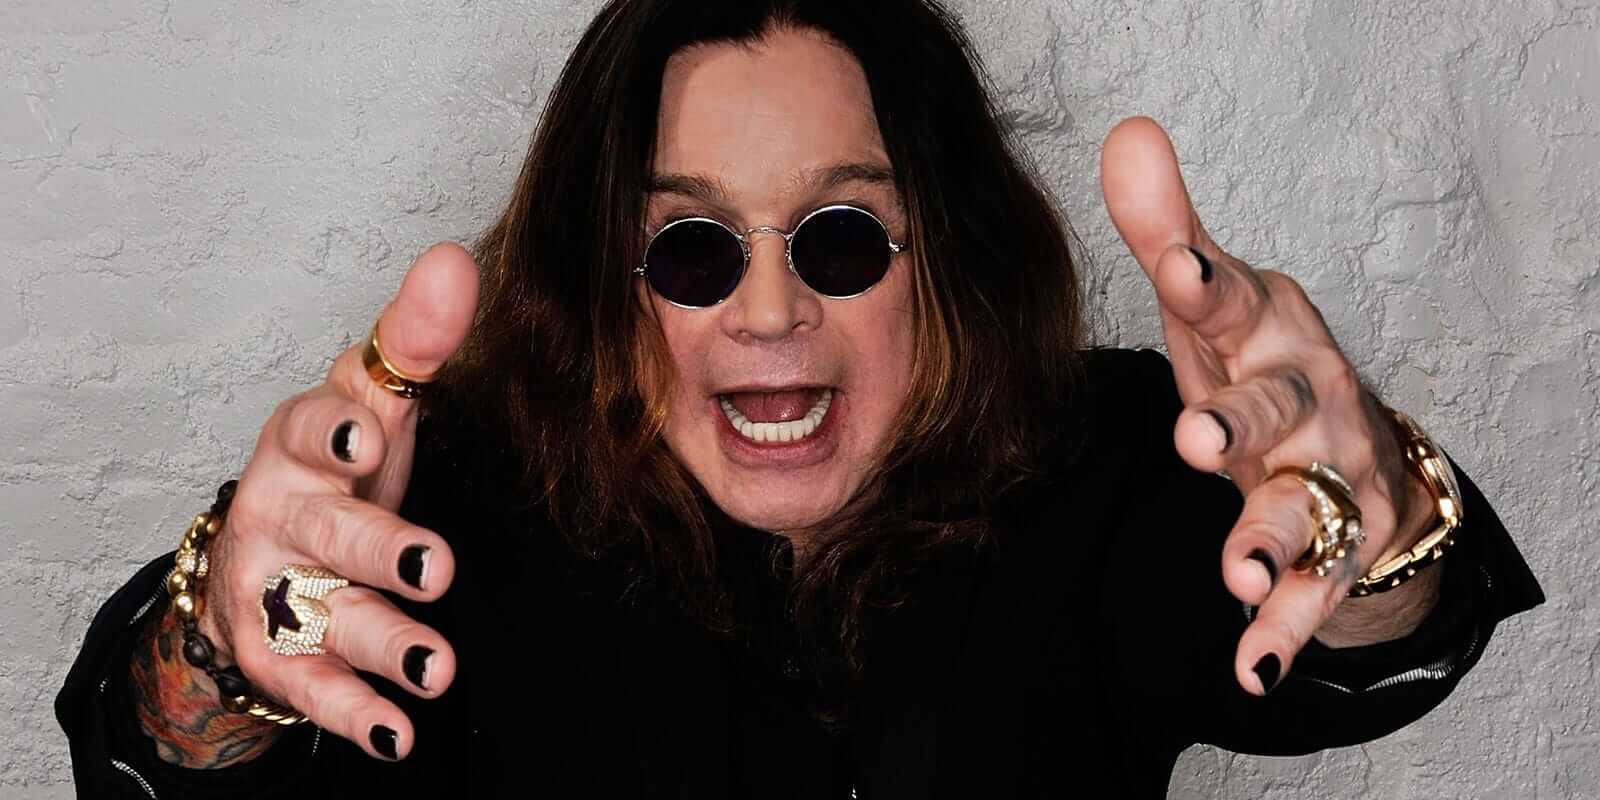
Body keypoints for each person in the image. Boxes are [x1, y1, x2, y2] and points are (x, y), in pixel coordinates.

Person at [56, 0, 1543, 797]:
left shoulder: (1093, 460)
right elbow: (152, 766)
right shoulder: (440, 512)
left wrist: (1369, 513)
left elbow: (1365, 651)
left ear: (940, 254)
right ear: (604, 275)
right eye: (691, 248)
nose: (770, 312)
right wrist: (223, 645)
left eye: (839, 237)